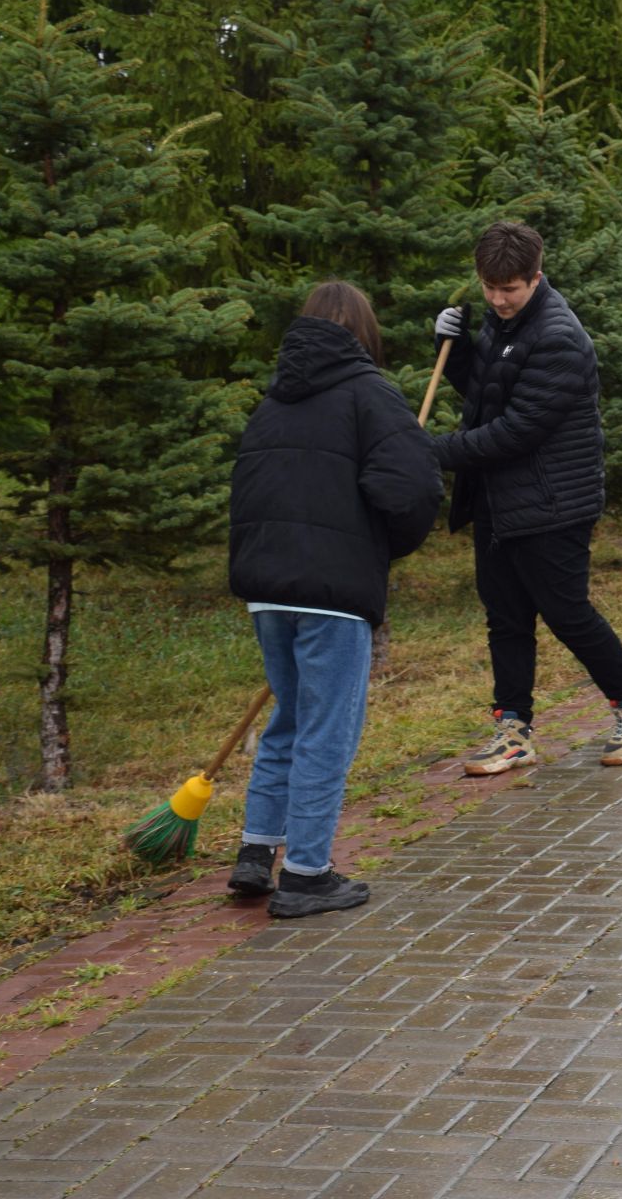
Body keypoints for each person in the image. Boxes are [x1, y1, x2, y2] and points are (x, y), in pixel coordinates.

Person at [226, 282, 441, 918]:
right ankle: (306, 876)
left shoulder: (272, 403)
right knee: (326, 730)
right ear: (364, 333)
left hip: (267, 592)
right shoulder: (370, 395)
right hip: (333, 594)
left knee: (290, 719)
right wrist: (382, 547)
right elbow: (411, 489)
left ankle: (255, 852)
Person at [432, 222, 622, 772]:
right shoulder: (500, 321)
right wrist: (459, 348)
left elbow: (516, 430)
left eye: (509, 289)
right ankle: (512, 730)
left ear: (536, 277)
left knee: (566, 612)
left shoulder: (559, 336)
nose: (497, 299)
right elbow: (487, 392)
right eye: (488, 288)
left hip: (553, 500)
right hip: (500, 499)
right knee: (505, 617)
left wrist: (431, 451)